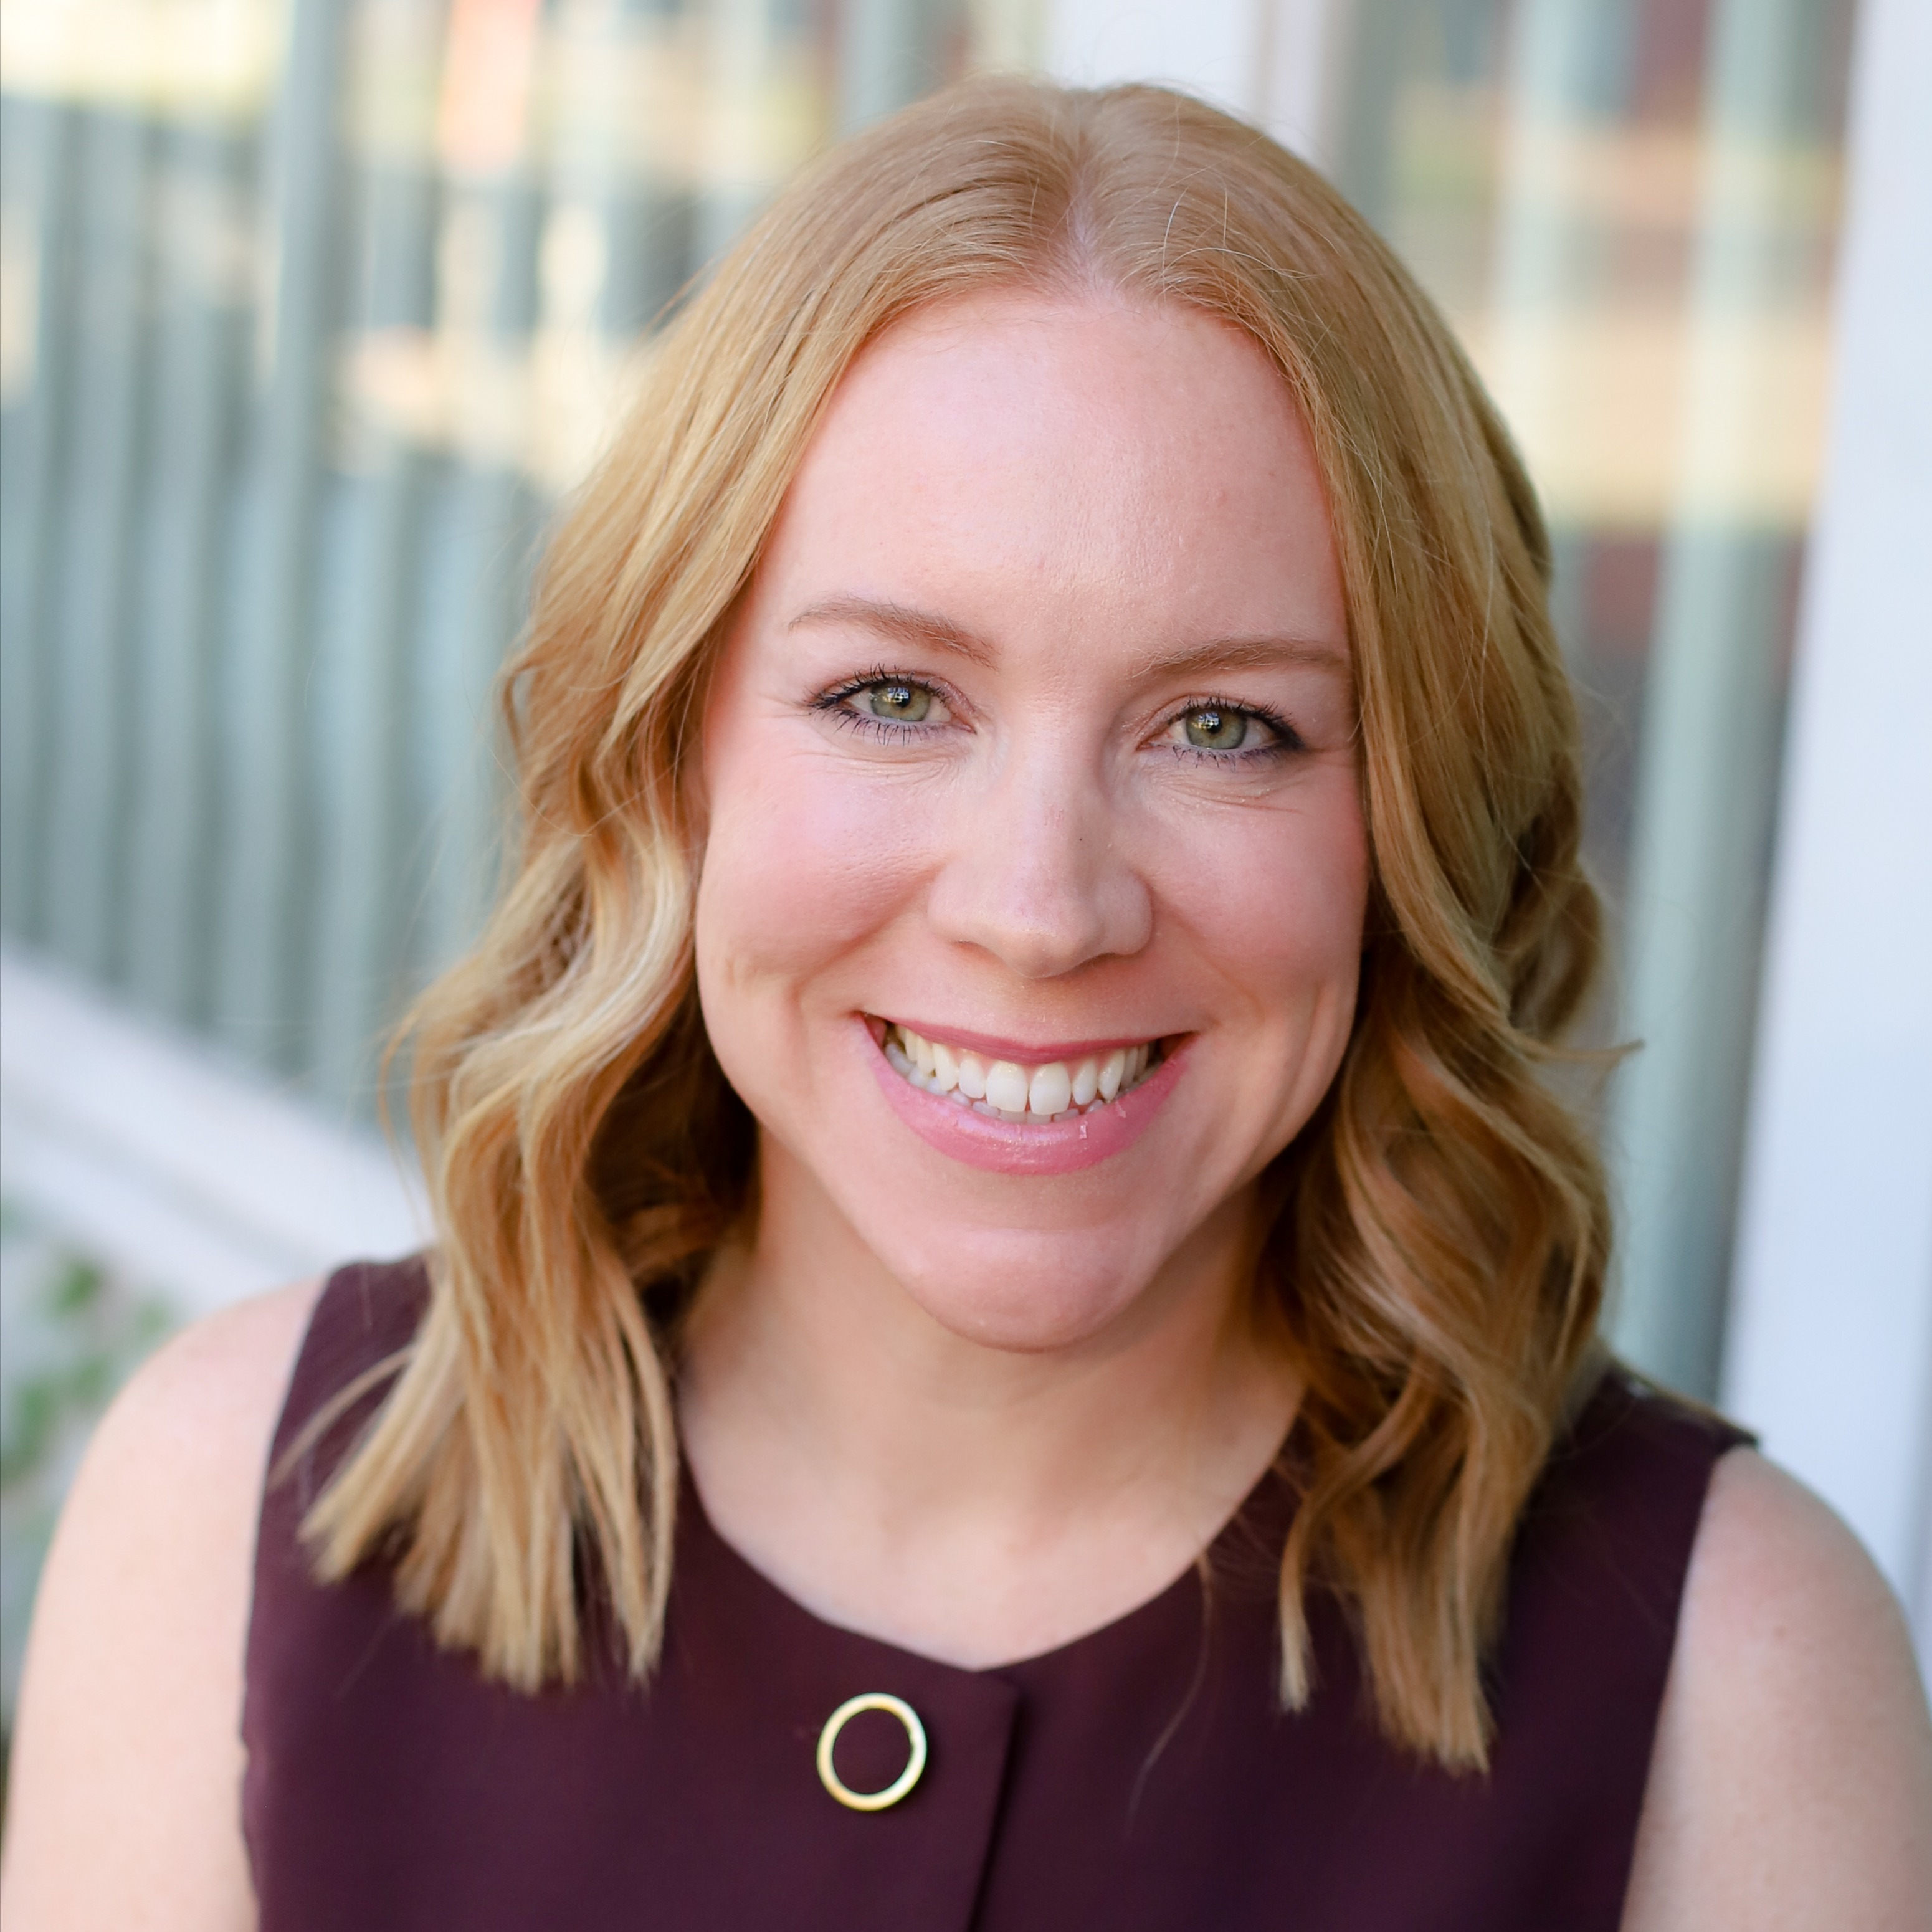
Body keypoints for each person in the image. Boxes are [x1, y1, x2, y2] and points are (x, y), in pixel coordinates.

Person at [2, 78, 1928, 1932]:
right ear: (671, 758)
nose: (1039, 909)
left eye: (1226, 727)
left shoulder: (1731, 1686)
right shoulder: (228, 1521)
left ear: (1405, 832)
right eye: (893, 698)